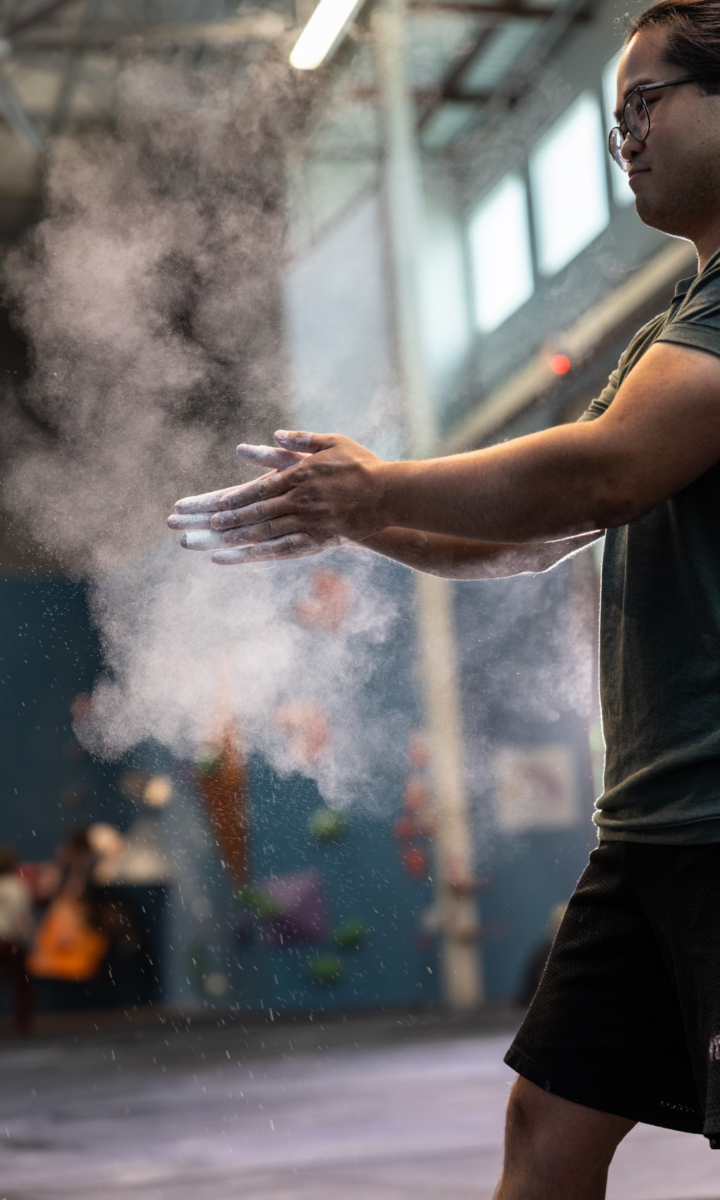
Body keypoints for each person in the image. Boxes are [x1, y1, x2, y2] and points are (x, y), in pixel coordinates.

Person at [169, 0, 720, 1192]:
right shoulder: (673, 331)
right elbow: (549, 529)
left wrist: (374, 488)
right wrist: (356, 519)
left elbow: (604, 469)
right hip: (653, 833)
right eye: (611, 113)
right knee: (547, 1130)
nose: (623, 134)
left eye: (648, 101)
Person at [0, 846, 35, 1035]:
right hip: (13, 942)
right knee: (22, 984)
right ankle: (23, 1024)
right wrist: (29, 938)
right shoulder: (18, 886)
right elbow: (22, 917)